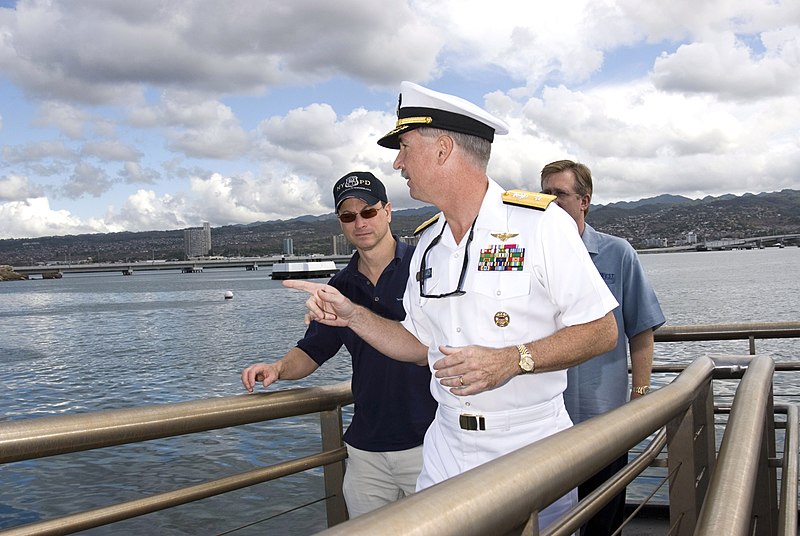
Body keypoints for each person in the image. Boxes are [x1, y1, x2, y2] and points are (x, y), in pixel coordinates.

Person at [284, 81, 619, 531]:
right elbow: (418, 343)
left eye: (404, 147)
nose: (397, 162)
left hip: (527, 444)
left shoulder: (539, 226)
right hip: (445, 447)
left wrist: (513, 360)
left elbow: (601, 330)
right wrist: (352, 315)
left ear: (443, 149)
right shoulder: (428, 245)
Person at [241, 171, 437, 519]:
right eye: (348, 216)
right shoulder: (339, 286)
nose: (360, 222)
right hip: (365, 450)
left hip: (430, 441)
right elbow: (313, 350)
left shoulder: (427, 269)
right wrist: (277, 369)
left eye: (368, 211)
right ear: (340, 223)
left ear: (388, 211)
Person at [540, 159, 666, 536]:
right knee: (551, 521)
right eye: (544, 194)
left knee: (604, 517)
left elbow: (641, 330)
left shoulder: (618, 254)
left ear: (585, 201)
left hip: (605, 420)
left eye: (559, 194)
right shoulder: (532, 256)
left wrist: (640, 395)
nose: (550, 201)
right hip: (546, 423)